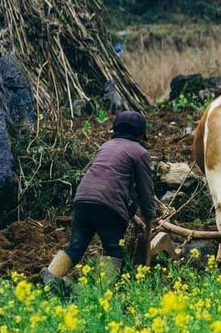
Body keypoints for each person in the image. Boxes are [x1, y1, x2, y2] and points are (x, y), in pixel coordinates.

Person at [41, 111, 156, 283]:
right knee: (113, 250)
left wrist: (131, 213)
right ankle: (101, 293)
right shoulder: (140, 153)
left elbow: (107, 179)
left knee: (75, 248)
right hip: (108, 206)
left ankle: (48, 280)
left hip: (82, 200)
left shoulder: (105, 146)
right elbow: (145, 190)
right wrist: (149, 216)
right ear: (141, 134)